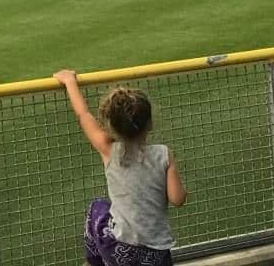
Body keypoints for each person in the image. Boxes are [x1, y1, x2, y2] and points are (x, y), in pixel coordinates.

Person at [53, 70, 187, 266]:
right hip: (157, 255)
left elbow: (83, 115)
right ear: (150, 123)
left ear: (112, 126)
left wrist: (69, 81)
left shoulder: (109, 150)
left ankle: (93, 263)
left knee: (97, 207)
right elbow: (177, 199)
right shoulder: (163, 154)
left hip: (118, 252)